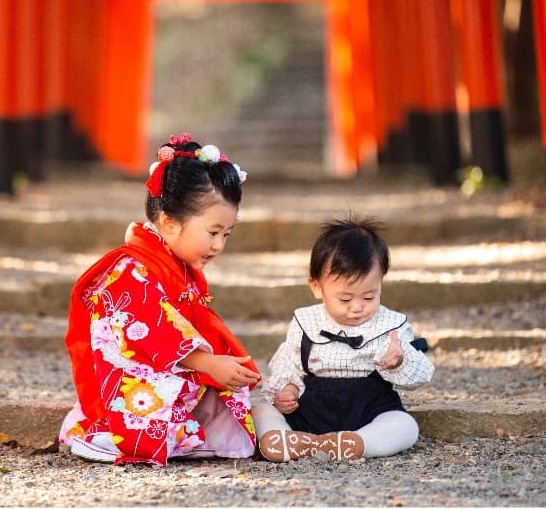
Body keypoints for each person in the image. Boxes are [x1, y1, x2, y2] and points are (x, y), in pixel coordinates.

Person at [60, 133, 261, 466]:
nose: (219, 246)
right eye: (213, 233)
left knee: (230, 388)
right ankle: (113, 435)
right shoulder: (130, 270)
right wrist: (207, 363)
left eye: (226, 234)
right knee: (172, 389)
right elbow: (149, 332)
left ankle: (182, 431)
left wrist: (220, 359)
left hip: (169, 366)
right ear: (169, 223)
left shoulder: (174, 266)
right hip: (128, 379)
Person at [252, 216, 434, 462]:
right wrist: (288, 389)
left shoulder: (390, 326)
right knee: (261, 409)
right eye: (345, 299)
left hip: (368, 409)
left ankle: (358, 443)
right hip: (311, 407)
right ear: (317, 287)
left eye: (369, 297)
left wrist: (400, 361)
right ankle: (287, 440)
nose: (358, 307)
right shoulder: (306, 322)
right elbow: (289, 361)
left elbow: (421, 375)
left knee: (405, 426)